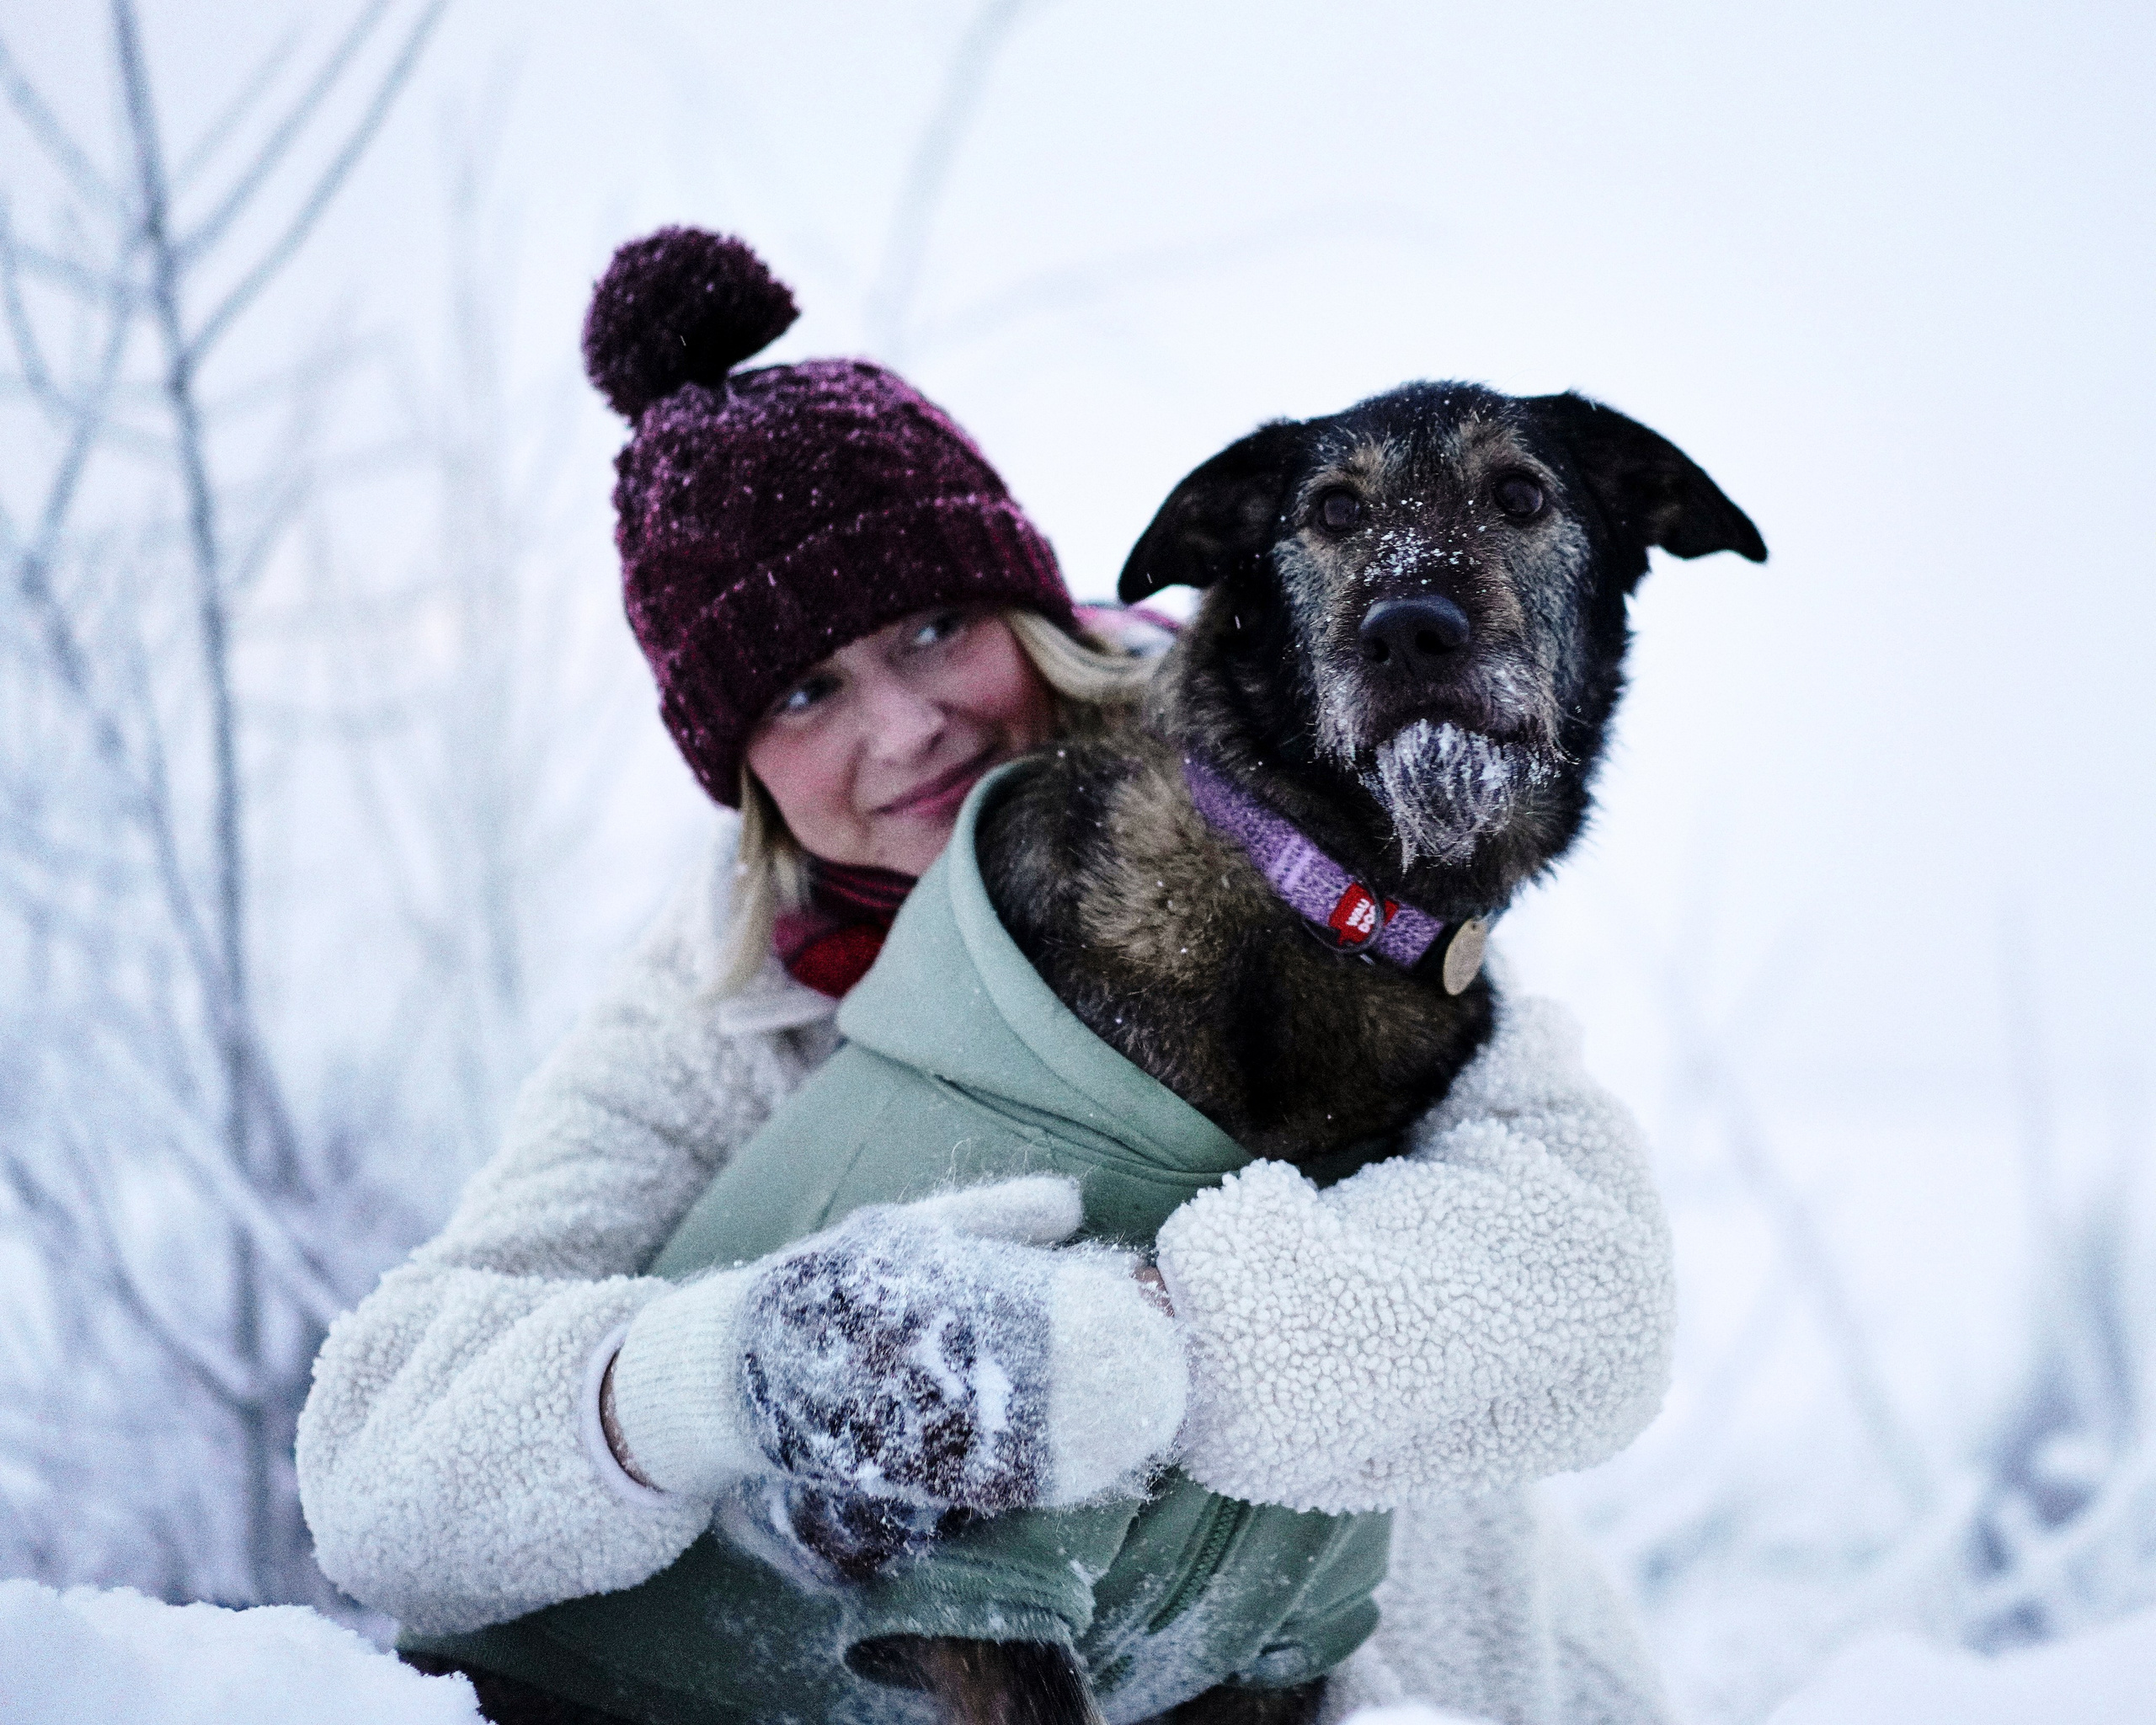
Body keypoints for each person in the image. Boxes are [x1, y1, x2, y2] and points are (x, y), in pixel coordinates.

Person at [296, 228, 1678, 1725]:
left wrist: (1109, 1341)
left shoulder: (1313, 837)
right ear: (738, 767)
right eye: (806, 691)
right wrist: (734, 1375)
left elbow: (1596, 1296)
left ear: (1025, 607)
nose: (906, 731)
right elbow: (376, 1468)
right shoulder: (718, 1018)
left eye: (935, 628)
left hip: (1458, 1672)